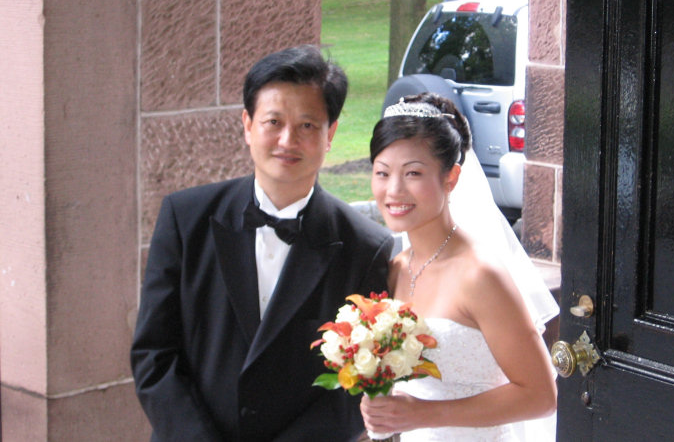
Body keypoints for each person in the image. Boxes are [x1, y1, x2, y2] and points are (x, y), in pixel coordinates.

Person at [131, 45, 394, 442]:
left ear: (330, 134)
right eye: (274, 121)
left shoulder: (365, 247)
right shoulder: (185, 219)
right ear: (247, 125)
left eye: (307, 125)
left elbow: (358, 384)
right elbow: (154, 354)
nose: (288, 139)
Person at [360, 93, 559, 441]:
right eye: (382, 173)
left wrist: (423, 414)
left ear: (451, 178)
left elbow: (541, 396)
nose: (394, 190)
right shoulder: (395, 269)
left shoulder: (479, 275)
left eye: (413, 173)